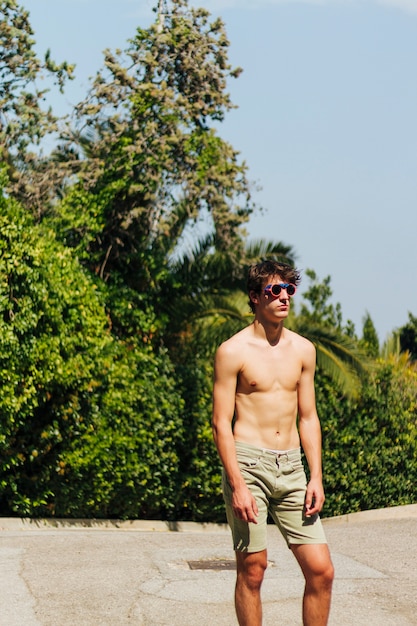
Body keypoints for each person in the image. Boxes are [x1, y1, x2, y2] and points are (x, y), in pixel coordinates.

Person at [212, 260, 334, 626]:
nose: (283, 297)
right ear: (254, 297)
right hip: (249, 465)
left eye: (288, 290)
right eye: (273, 290)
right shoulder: (232, 351)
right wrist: (237, 485)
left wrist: (316, 477)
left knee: (321, 571)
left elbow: (308, 417)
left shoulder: (304, 350)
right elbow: (220, 423)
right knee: (253, 570)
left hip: (293, 468)